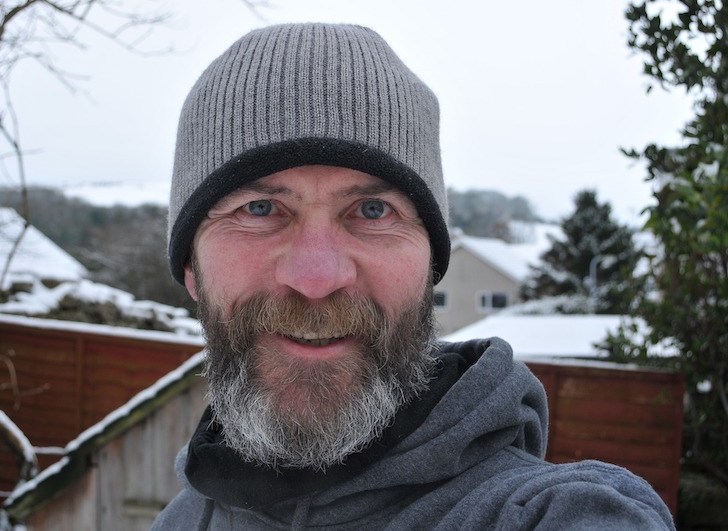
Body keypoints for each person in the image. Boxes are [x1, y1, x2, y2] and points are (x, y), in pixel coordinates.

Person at [152, 23, 674, 530]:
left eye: (374, 210)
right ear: (191, 269)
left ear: (430, 267)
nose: (317, 278)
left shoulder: (548, 515)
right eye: (260, 208)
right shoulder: (180, 520)